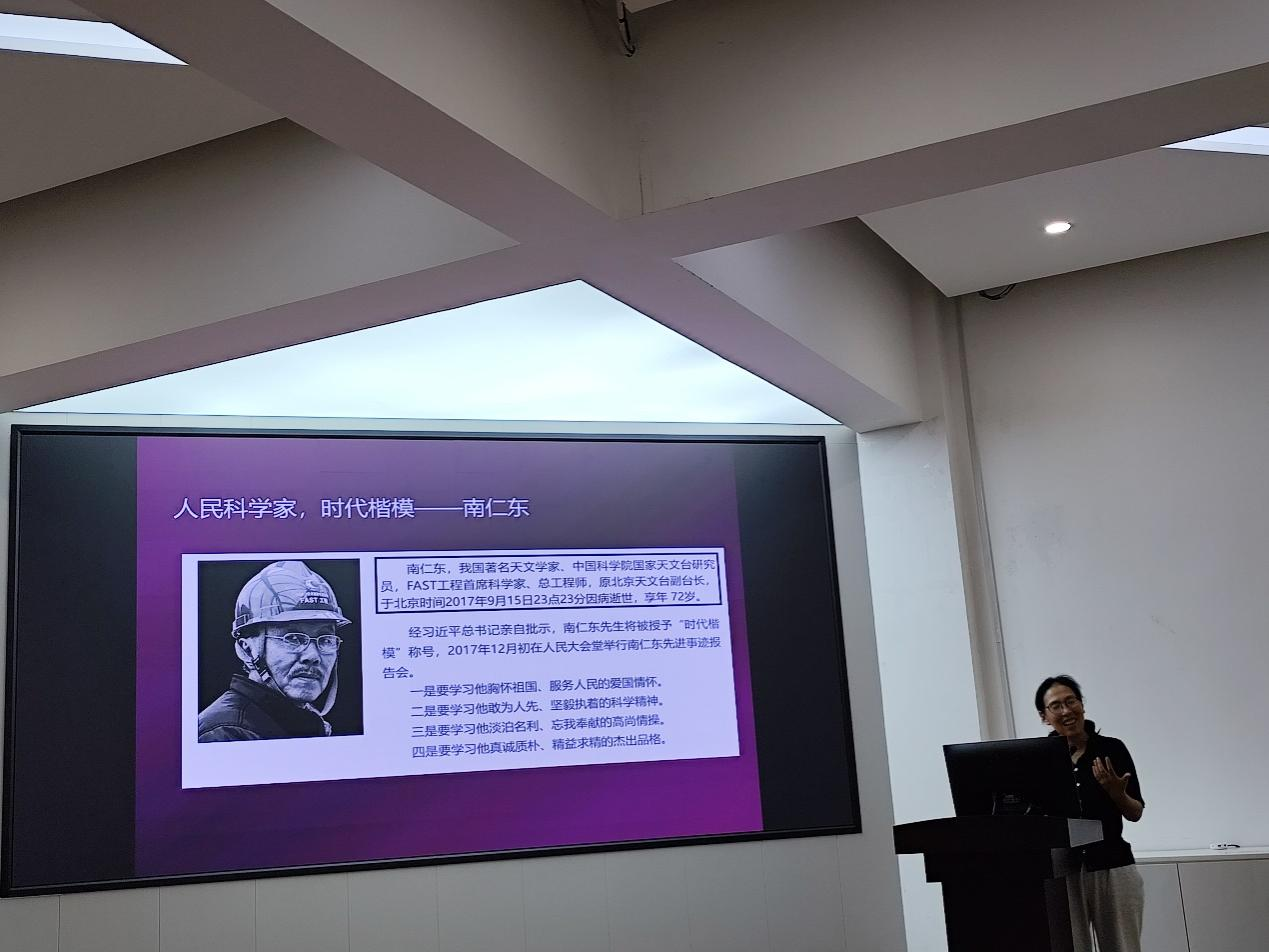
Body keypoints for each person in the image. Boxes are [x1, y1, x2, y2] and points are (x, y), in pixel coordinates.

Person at [1035, 674, 1145, 952]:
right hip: (1062, 871)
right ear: (1044, 716)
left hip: (1112, 865)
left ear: (1082, 704)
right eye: (1056, 705)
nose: (1066, 710)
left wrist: (1116, 793)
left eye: (1071, 701)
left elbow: (1135, 813)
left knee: (1122, 947)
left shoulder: (1111, 749)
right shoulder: (1040, 759)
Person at [198, 560, 350, 742]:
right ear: (247, 650)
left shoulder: (304, 723)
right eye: (293, 638)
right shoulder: (225, 734)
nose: (313, 656)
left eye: (325, 640)